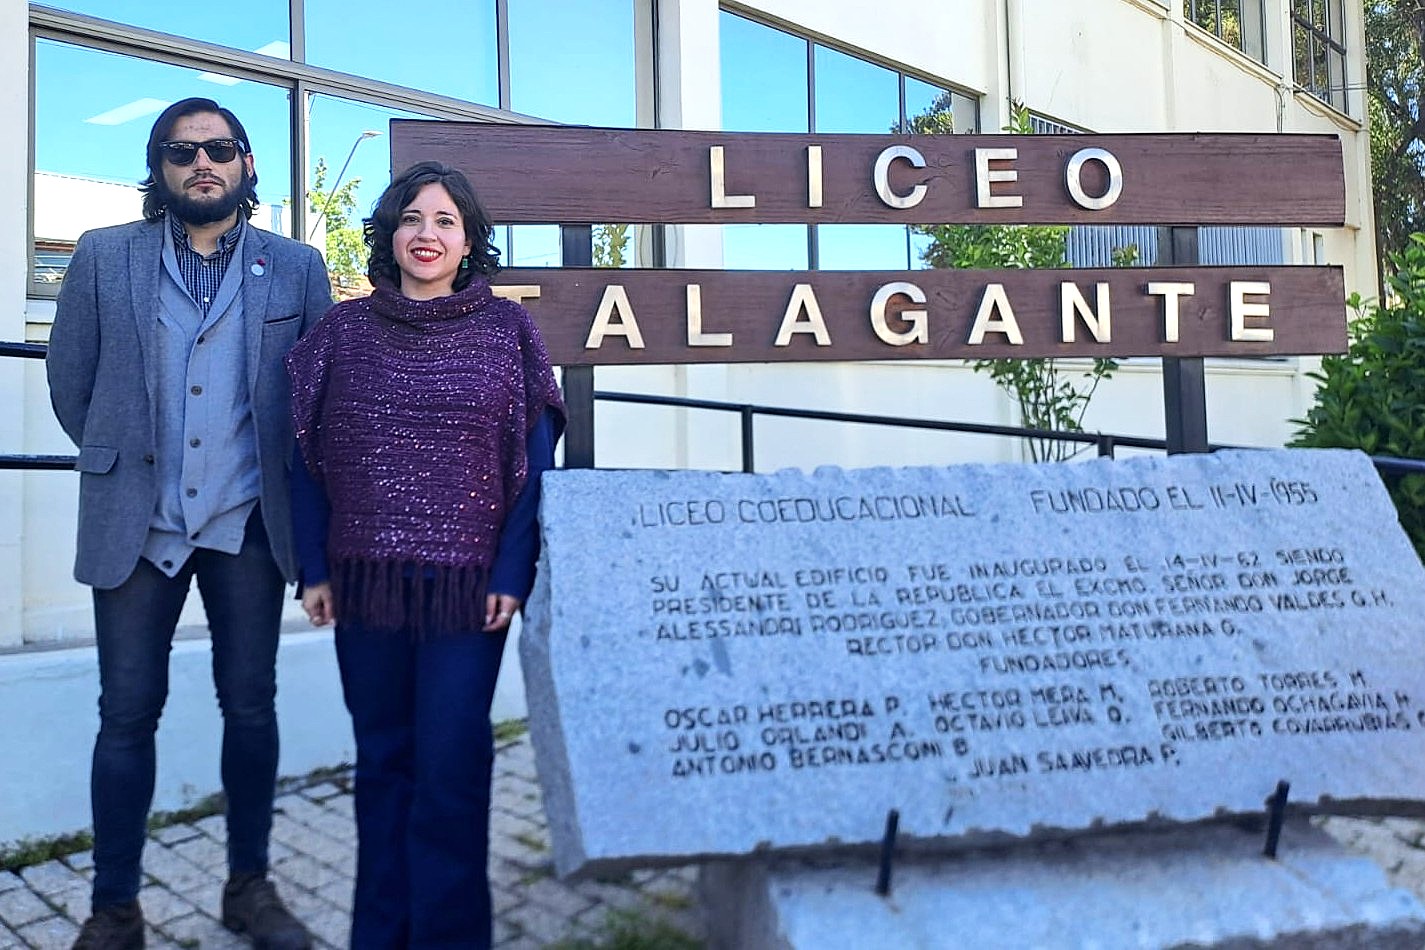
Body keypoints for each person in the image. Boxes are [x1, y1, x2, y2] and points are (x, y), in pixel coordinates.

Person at [46, 97, 331, 950]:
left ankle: (249, 888)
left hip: (247, 524)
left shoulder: (296, 267)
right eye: (180, 152)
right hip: (138, 527)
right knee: (126, 714)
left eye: (218, 149)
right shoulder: (103, 256)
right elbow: (73, 384)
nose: (200, 162)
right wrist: (124, 458)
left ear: (245, 164)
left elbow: (313, 403)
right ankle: (114, 908)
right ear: (158, 170)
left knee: (251, 707)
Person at [286, 160, 564, 948]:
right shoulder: (342, 332)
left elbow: (533, 464)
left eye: (445, 220)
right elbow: (302, 454)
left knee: (448, 773)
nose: (427, 234)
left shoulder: (508, 331)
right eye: (412, 218)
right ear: (389, 234)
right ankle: (379, 935)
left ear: (470, 239)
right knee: (382, 769)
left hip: (469, 596)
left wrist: (513, 573)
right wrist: (312, 566)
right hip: (362, 585)